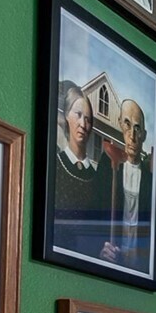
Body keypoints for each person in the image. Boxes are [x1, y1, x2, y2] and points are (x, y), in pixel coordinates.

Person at [50, 82, 114, 247]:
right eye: (78, 114)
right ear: (66, 115)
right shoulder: (55, 165)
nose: (83, 124)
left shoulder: (97, 177)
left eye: (88, 119)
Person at [99, 99, 153, 271]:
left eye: (137, 128)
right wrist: (101, 249)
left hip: (138, 262)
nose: (132, 136)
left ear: (143, 134)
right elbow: (94, 213)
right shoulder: (109, 166)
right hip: (113, 259)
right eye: (128, 125)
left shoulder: (150, 179)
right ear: (120, 125)